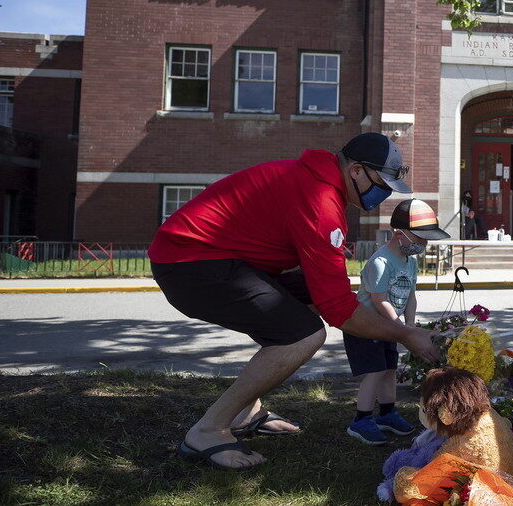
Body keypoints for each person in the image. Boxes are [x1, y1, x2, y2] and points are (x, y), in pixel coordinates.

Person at [148, 133, 441, 470]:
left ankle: (247, 410)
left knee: (301, 311)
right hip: (189, 262)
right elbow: (339, 310)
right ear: (357, 170)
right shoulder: (321, 202)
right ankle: (208, 430)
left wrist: (399, 329)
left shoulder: (316, 183)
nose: (385, 193)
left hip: (219, 259)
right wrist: (407, 335)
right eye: (382, 182)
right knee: (304, 334)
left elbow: (332, 294)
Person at [346, 199, 450, 445]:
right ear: (399, 234)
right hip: (366, 326)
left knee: (390, 370)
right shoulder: (380, 262)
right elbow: (380, 300)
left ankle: (387, 413)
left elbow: (410, 296)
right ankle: (361, 420)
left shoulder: (410, 261)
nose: (423, 244)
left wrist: (410, 326)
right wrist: (402, 329)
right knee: (375, 370)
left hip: (389, 329)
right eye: (419, 238)